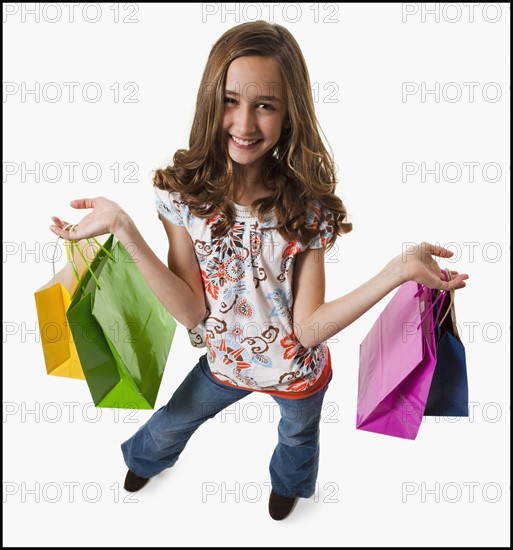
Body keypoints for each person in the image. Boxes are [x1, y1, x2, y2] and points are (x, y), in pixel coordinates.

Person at [49, 20, 469, 520]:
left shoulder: (308, 212)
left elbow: (309, 329)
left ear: (290, 113)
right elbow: (190, 311)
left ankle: (289, 488)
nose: (245, 124)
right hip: (224, 363)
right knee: (170, 422)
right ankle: (145, 461)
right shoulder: (181, 198)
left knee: (298, 438)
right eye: (231, 100)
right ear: (211, 100)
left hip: (297, 374)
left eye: (265, 105)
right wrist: (124, 227)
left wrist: (396, 270)